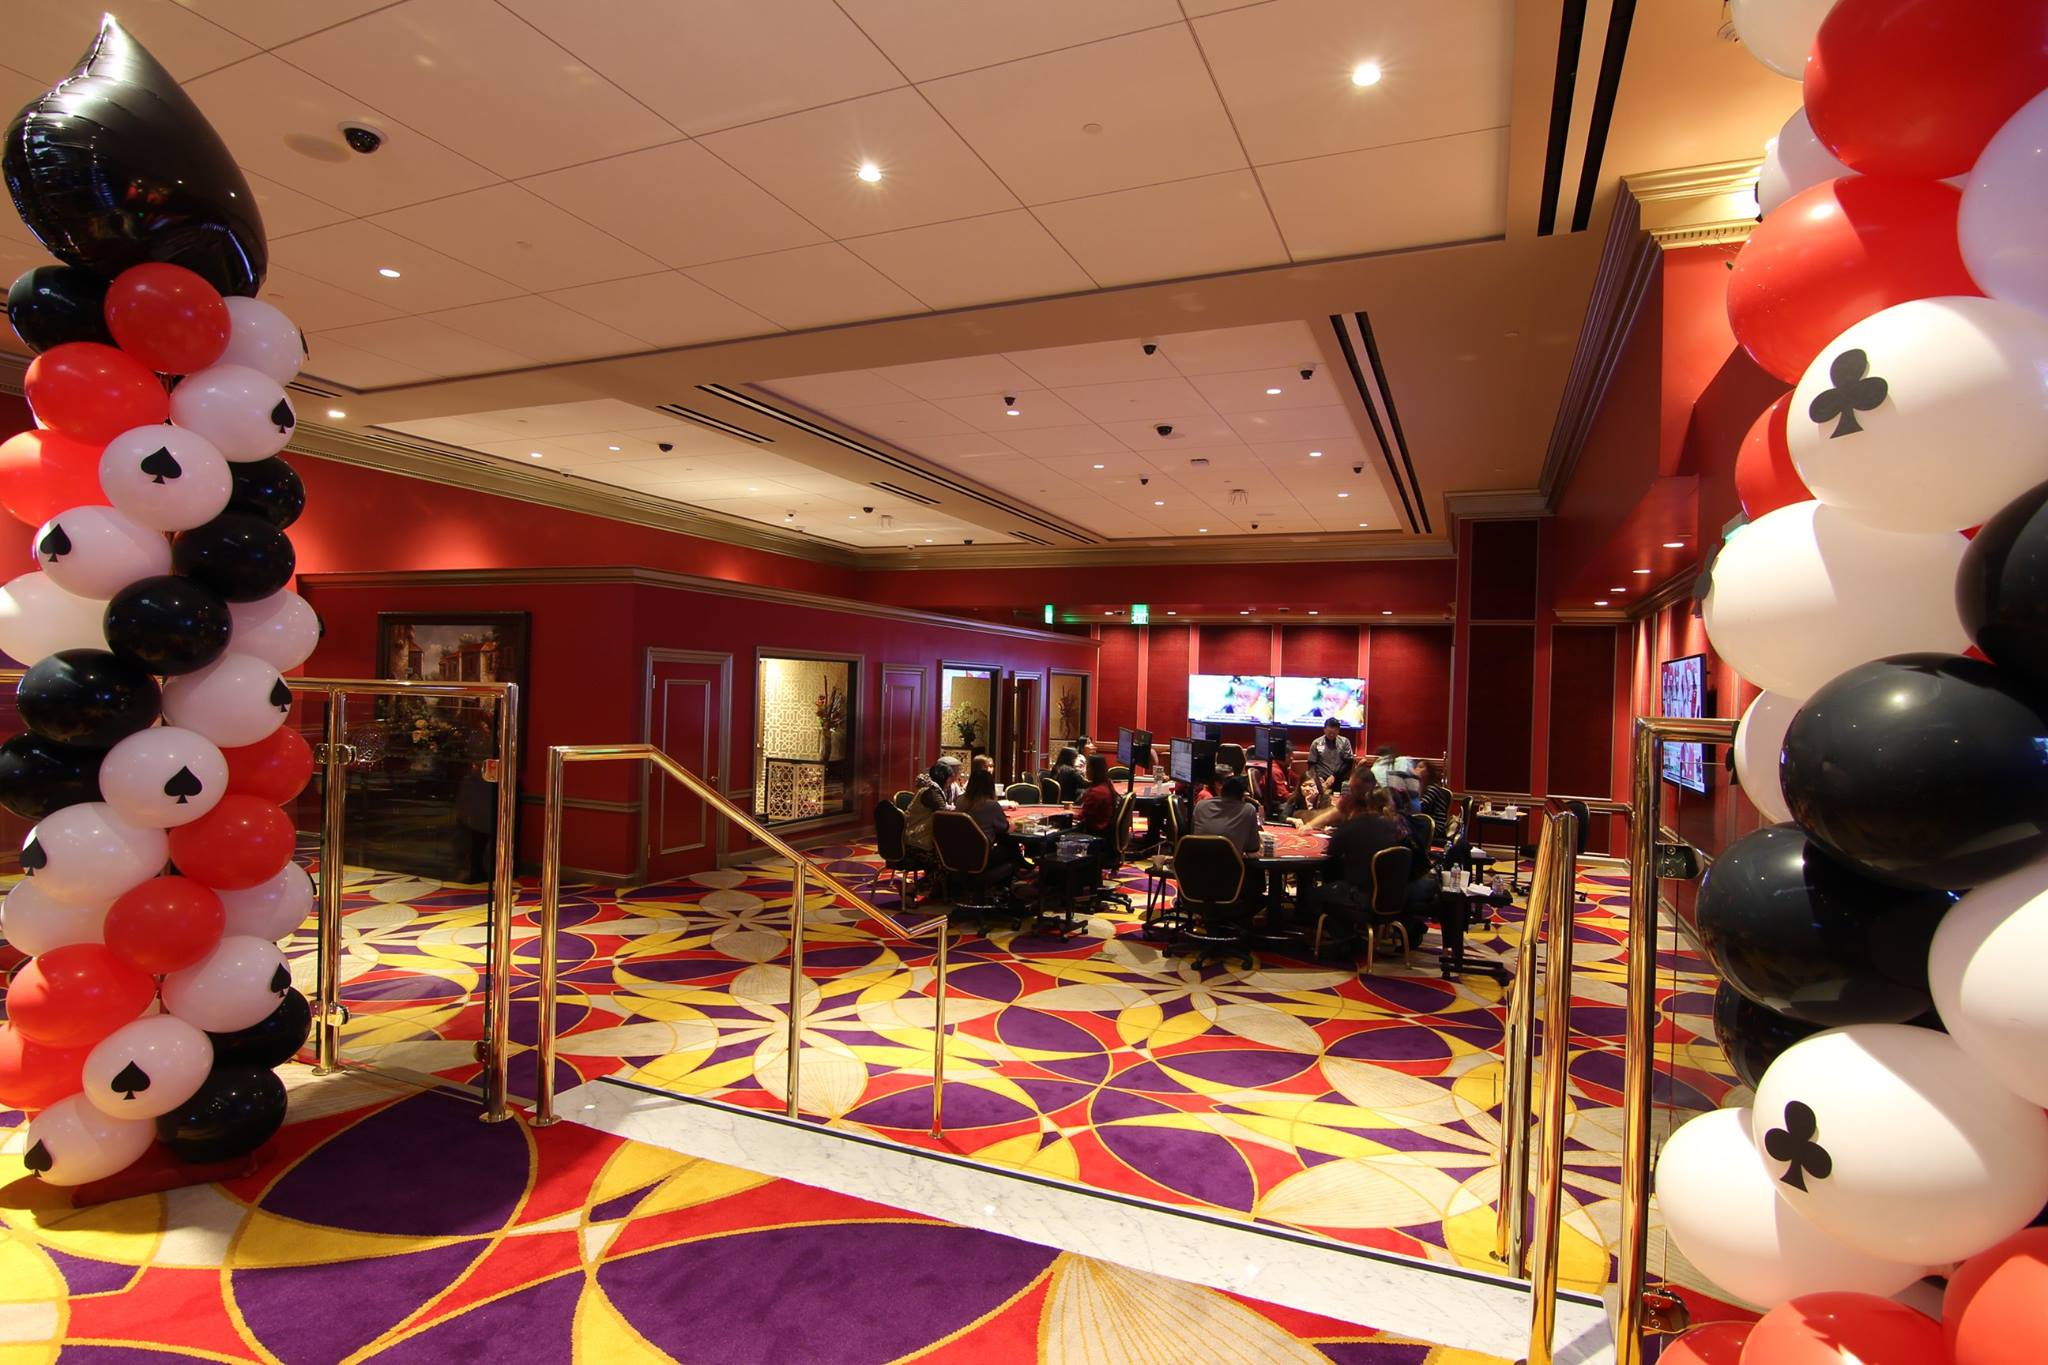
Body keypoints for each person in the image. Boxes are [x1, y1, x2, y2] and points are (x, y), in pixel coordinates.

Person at [1191, 773, 1261, 853]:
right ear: (1242, 796)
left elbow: (1192, 834)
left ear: (1222, 791)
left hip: (1197, 859)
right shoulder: (1249, 809)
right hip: (1230, 861)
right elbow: (1253, 847)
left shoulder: (1200, 805)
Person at [903, 761, 952, 856]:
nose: (950, 782)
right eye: (950, 778)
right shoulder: (933, 793)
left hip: (911, 837)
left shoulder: (929, 789)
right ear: (944, 778)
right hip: (918, 842)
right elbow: (944, 815)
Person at [1078, 754, 1118, 836]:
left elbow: (1082, 816)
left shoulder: (1097, 792)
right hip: (1104, 832)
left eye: (1088, 767)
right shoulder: (1107, 784)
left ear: (1094, 770)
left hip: (1095, 833)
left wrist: (1068, 813)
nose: (1086, 771)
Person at [1308, 718, 1354, 787]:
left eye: (1334, 732)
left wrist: (1334, 776)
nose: (1332, 735)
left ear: (1338, 730)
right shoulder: (1316, 743)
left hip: (1339, 778)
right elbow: (1311, 764)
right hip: (1321, 779)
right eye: (1329, 732)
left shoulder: (1345, 742)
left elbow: (1348, 762)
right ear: (1324, 730)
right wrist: (1315, 779)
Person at [1413, 759, 1451, 834]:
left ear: (1428, 773)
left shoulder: (1433, 788)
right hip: (1426, 824)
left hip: (1435, 827)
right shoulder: (1422, 788)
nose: (1416, 769)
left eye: (1420, 767)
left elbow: (1421, 807)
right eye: (1416, 767)